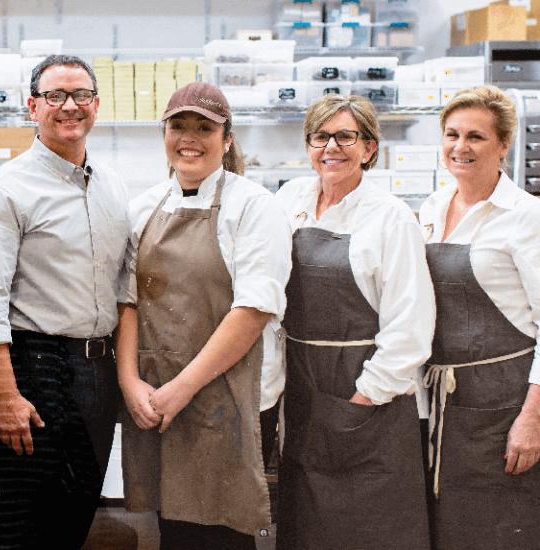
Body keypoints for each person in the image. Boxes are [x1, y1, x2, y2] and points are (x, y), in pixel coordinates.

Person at [0, 54, 129, 549]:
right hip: (34, 367)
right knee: (25, 518)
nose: (69, 106)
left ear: (97, 104)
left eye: (80, 95)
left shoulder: (112, 185)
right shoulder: (6, 190)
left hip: (97, 367)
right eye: (55, 96)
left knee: (77, 509)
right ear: (33, 106)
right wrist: (7, 398)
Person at [116, 82, 291, 550]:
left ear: (227, 139)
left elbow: (252, 312)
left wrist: (181, 389)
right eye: (178, 126)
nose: (189, 137)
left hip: (226, 397)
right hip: (156, 397)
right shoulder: (143, 208)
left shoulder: (253, 207)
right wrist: (130, 381)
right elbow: (127, 302)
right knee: (172, 528)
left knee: (221, 531)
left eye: (204, 128)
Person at [274, 95, 433, 550]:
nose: (331, 147)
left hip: (368, 400)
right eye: (320, 137)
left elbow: (410, 327)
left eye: (346, 136)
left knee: (369, 532)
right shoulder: (289, 201)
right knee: (306, 529)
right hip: (304, 389)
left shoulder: (391, 217)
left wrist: (364, 398)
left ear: (369, 147)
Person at [419, 85, 540, 550]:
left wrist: (532, 420)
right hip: (445, 406)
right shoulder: (432, 207)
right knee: (447, 527)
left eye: (476, 137)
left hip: (506, 407)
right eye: (452, 134)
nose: (460, 147)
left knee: (500, 529)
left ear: (504, 145)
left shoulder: (525, 217)